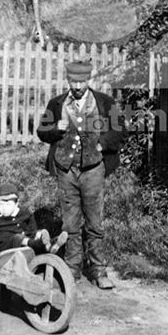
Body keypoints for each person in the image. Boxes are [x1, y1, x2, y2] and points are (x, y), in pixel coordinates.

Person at [37, 58, 126, 289]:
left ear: (90, 79)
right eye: (73, 82)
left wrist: (102, 145)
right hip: (66, 169)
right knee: (70, 223)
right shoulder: (56, 104)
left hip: (93, 169)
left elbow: (120, 129)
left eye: (82, 81)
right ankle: (71, 270)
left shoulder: (104, 103)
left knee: (95, 222)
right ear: (67, 80)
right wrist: (56, 129)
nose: (77, 87)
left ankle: (98, 270)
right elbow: (41, 132)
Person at [0, 182, 69, 254]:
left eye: (8, 203)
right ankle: (40, 244)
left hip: (20, 246)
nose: (4, 207)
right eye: (0, 204)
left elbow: (31, 228)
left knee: (36, 234)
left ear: (16, 203)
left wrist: (36, 234)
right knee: (17, 237)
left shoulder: (24, 214)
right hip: (2, 248)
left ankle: (51, 244)